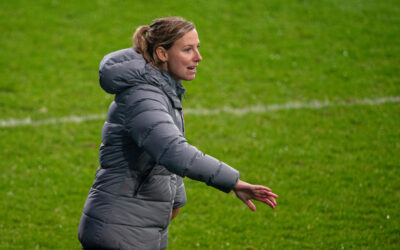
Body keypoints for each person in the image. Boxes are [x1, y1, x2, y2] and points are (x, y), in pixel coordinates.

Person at [78, 17, 278, 250]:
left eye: (197, 48)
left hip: (133, 227)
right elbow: (174, 152)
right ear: (162, 53)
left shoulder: (162, 91)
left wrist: (176, 199)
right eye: (187, 49)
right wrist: (234, 182)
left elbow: (160, 157)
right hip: (118, 229)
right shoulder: (143, 98)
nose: (198, 57)